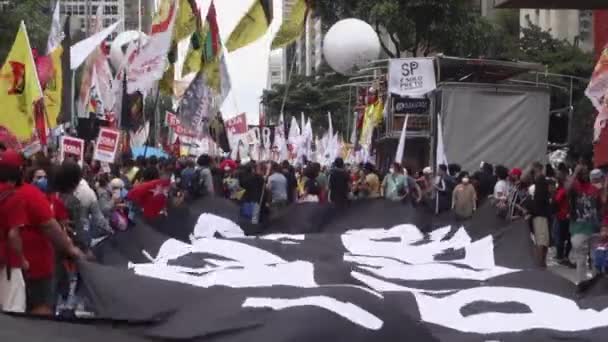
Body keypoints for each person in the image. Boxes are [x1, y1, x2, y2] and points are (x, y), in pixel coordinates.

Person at [0, 151, 84, 316]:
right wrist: (71, 249)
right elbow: (48, 226)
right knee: (36, 317)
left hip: (10, 266)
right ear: (21, 170)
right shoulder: (27, 195)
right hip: (28, 269)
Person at [567, 164, 602, 284]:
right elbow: (567, 187)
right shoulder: (575, 187)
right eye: (582, 173)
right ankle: (582, 284)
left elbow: (599, 207)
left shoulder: (594, 189)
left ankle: (596, 285)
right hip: (578, 229)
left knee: (595, 258)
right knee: (581, 259)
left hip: (594, 228)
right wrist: (575, 173)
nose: (584, 174)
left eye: (586, 172)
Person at [529, 162, 551, 268]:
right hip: (543, 213)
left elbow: (539, 199)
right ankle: (542, 262)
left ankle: (540, 263)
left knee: (541, 240)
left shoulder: (540, 180)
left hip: (539, 213)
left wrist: (532, 211)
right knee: (544, 239)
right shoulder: (541, 181)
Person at [554, 173, 573, 267]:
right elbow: (557, 201)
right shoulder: (562, 191)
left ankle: (565, 256)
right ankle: (561, 257)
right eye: (568, 181)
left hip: (567, 217)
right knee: (561, 238)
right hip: (562, 217)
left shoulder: (569, 192)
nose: (571, 183)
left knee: (569, 238)